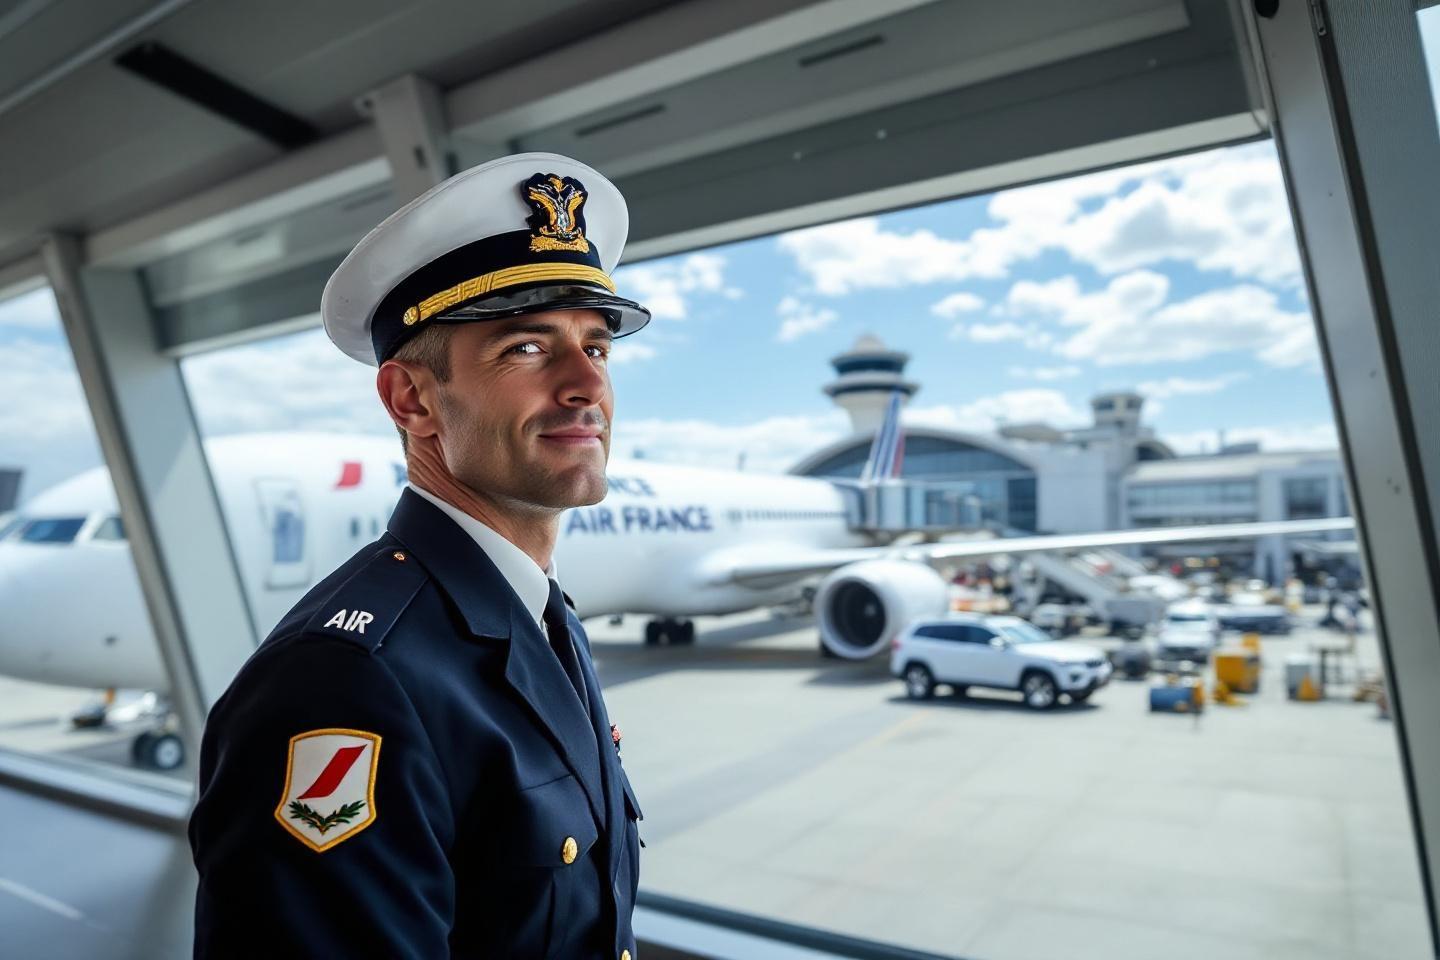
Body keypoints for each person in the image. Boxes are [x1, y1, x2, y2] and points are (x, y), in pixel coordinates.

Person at [189, 152, 651, 959]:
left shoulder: (534, 615)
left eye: (598, 347)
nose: (587, 385)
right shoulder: (345, 683)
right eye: (527, 349)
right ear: (413, 400)